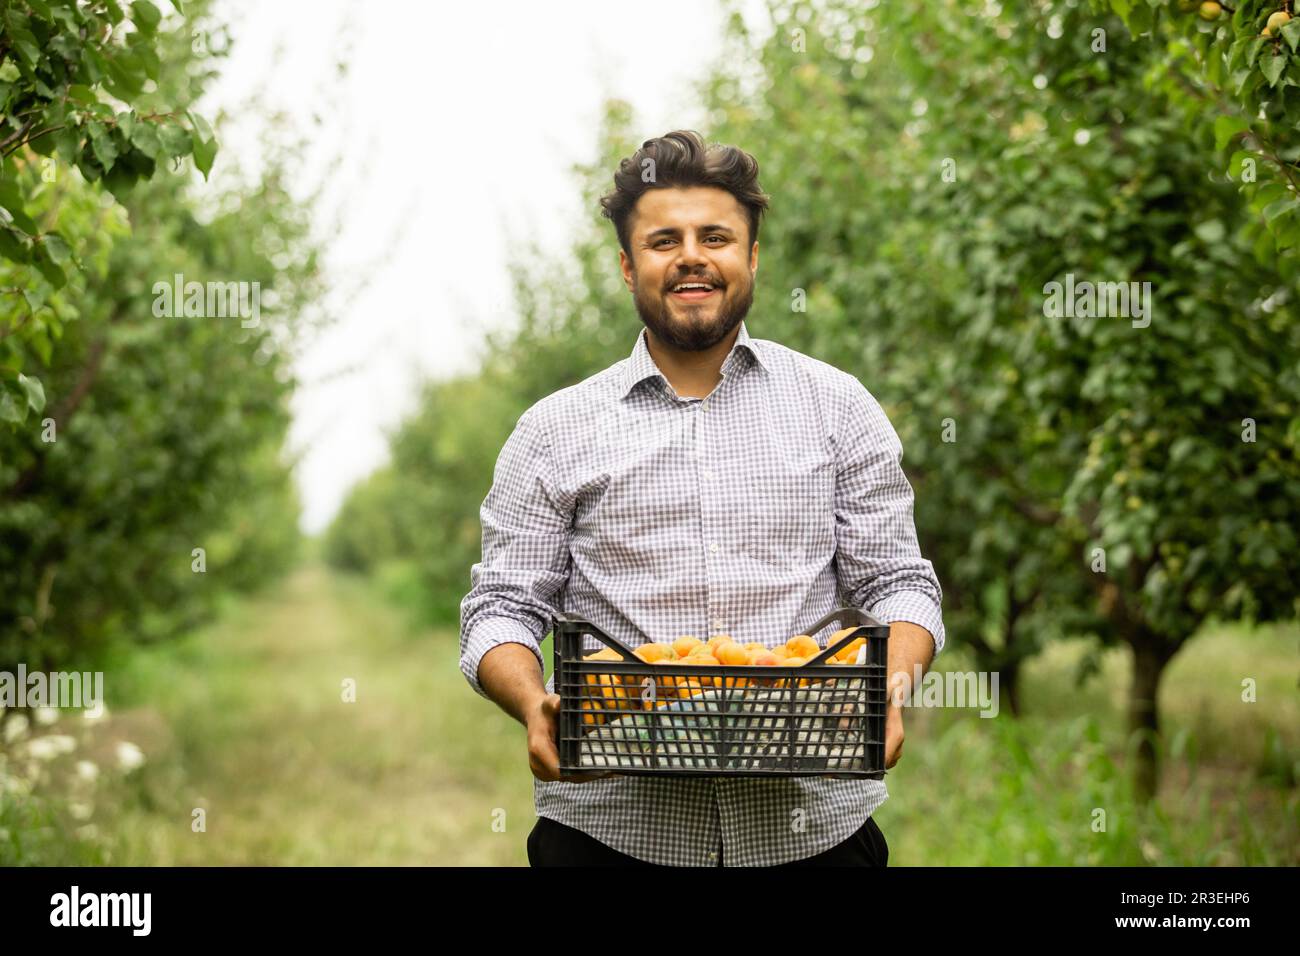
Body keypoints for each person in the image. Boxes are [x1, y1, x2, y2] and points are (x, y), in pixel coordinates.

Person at [459, 130, 945, 867]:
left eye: (715, 236)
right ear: (628, 266)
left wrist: (889, 689)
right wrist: (534, 705)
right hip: (611, 835)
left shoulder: (838, 408)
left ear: (751, 257)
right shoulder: (553, 430)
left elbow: (898, 583)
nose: (691, 255)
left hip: (812, 834)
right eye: (664, 240)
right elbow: (502, 606)